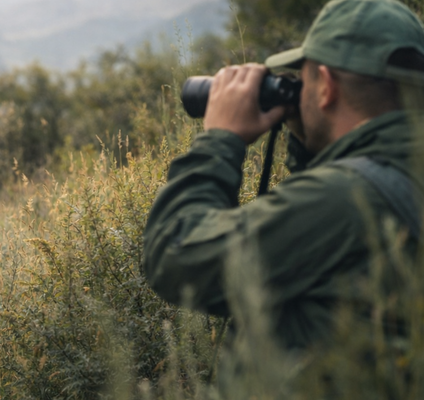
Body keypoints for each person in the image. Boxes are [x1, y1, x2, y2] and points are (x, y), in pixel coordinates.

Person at [141, 0, 424, 350]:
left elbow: (176, 255)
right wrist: (312, 145)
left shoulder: (343, 199)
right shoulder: (399, 173)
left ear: (325, 86)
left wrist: (219, 141)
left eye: (302, 79)